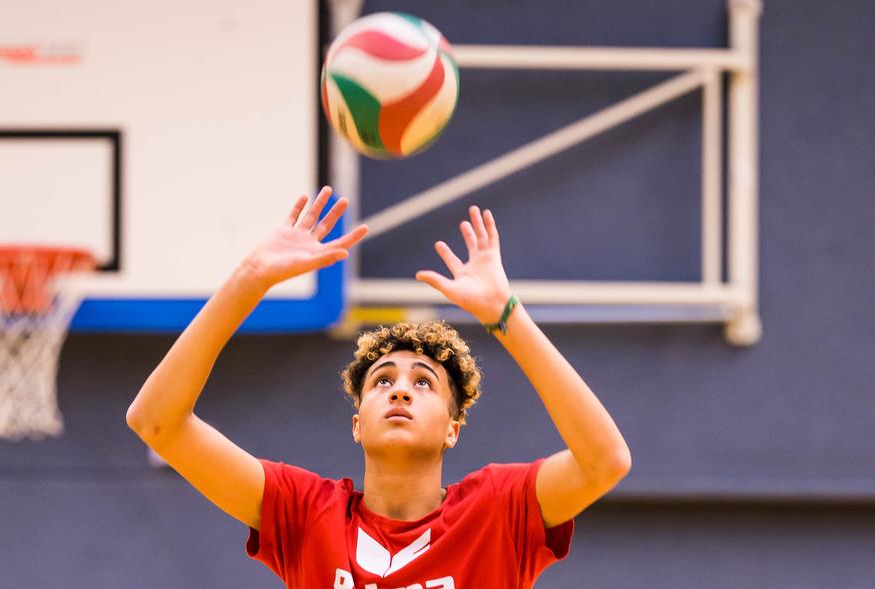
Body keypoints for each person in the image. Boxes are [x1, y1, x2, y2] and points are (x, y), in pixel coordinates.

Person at [127, 186, 631, 588]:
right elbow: (155, 421)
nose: (401, 390)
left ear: (453, 429)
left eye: (424, 383)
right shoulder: (306, 512)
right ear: (356, 424)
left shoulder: (496, 511)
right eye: (382, 380)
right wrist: (251, 279)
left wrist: (506, 316)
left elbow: (605, 461)